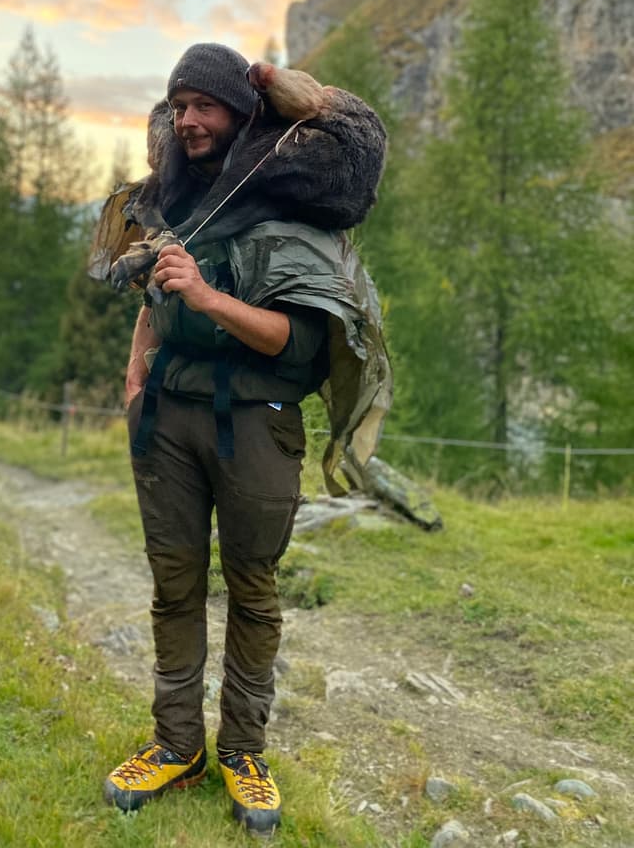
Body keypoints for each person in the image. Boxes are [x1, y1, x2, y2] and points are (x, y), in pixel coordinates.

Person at [96, 43, 390, 835]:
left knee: (253, 590)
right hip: (167, 419)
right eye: (179, 105)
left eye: (205, 105)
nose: (189, 120)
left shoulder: (294, 214)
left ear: (240, 111)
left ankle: (245, 754)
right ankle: (176, 744)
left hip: (258, 426)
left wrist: (205, 295)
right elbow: (155, 292)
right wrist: (136, 370)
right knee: (175, 584)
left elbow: (292, 342)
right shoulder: (184, 199)